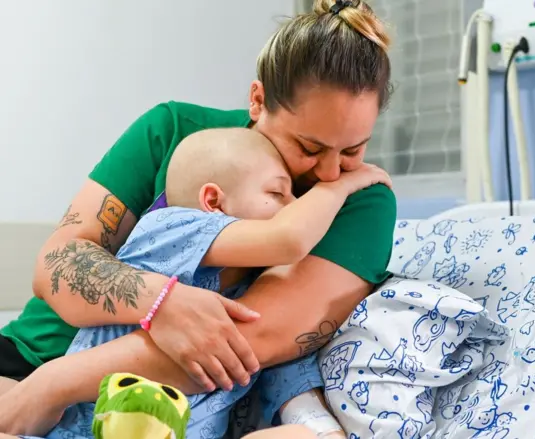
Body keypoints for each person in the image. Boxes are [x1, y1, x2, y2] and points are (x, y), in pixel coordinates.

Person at [0, 0, 395, 436]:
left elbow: (242, 342)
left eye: (354, 150)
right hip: (26, 362)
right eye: (309, 147)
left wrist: (54, 386)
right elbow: (57, 263)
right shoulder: (174, 131)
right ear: (258, 100)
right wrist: (160, 302)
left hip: (138, 405)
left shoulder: (360, 202)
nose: (328, 172)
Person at [14, 126, 390, 439]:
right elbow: (288, 238)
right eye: (277, 193)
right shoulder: (174, 228)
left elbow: (278, 366)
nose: (292, 206)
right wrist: (340, 187)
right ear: (214, 201)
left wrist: (317, 426)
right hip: (89, 425)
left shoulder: (244, 296)